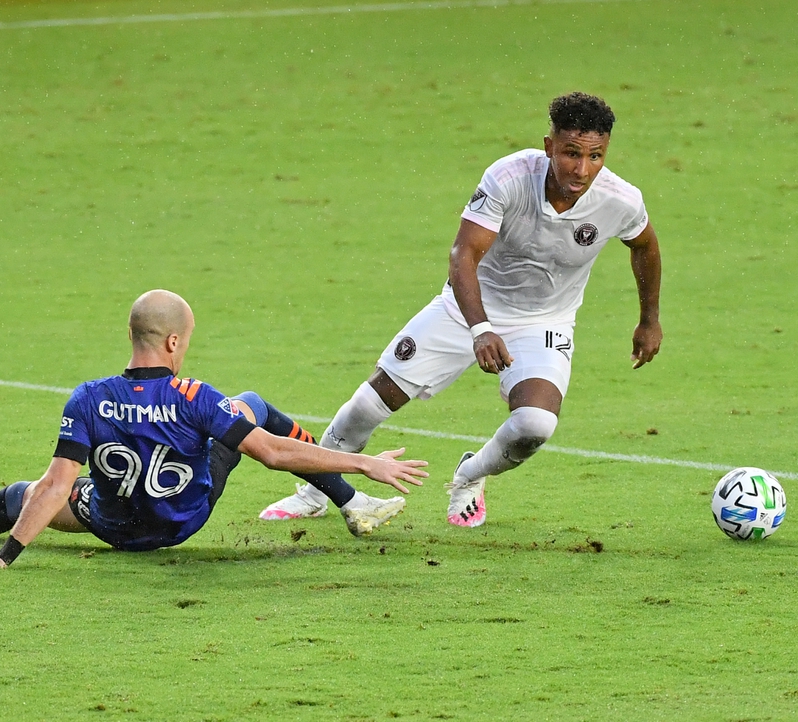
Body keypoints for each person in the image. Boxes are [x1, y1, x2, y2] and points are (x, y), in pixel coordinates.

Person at [260, 92, 662, 528]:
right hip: (466, 306)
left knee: (535, 425)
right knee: (369, 405)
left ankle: (470, 476)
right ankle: (314, 490)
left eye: (595, 156)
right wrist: (480, 328)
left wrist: (649, 319)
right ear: (549, 146)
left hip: (545, 321)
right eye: (571, 153)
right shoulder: (508, 177)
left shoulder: (620, 199)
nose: (582, 170)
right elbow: (463, 256)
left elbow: (645, 247)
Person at [0, 290, 428, 570]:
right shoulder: (195, 397)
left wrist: (5, 558)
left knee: (24, 494)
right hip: (184, 520)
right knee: (253, 406)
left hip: (113, 526)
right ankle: (353, 502)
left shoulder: (89, 398)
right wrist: (365, 461)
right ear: (172, 343)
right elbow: (275, 455)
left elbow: (51, 488)